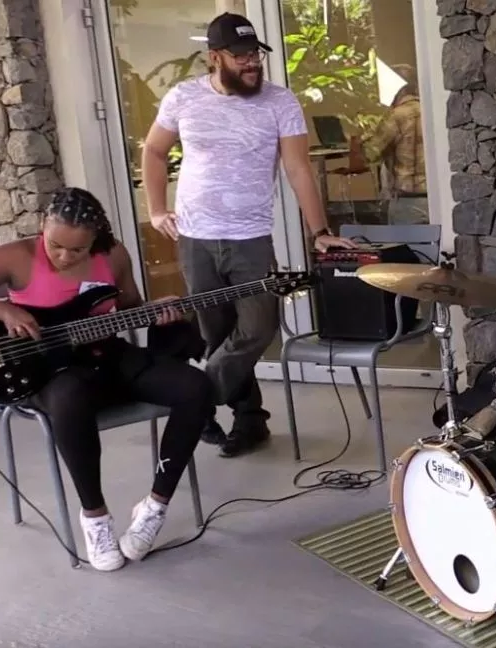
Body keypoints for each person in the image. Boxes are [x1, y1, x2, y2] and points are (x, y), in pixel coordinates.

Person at [0, 187, 214, 572]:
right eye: (56, 245)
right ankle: (95, 519)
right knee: (70, 397)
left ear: (95, 240)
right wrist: (0, 312)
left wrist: (157, 310)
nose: (65, 257)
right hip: (47, 371)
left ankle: (154, 508)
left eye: (78, 250)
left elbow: (130, 306)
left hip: (108, 357)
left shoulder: (114, 254)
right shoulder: (14, 257)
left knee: (196, 387)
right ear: (42, 226)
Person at [141, 12, 354, 458]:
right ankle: (249, 420)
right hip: (196, 238)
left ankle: (196, 400)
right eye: (240, 56)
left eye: (255, 53)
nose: (252, 62)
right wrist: (156, 209)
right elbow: (155, 150)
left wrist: (319, 231)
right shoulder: (184, 98)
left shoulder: (280, 102)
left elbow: (298, 168)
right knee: (217, 335)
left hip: (251, 238)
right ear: (214, 57)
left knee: (257, 327)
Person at [360, 64, 428, 225]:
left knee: (405, 241)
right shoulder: (430, 111)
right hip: (434, 198)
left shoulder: (396, 116)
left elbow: (370, 154)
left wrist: (363, 137)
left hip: (407, 202)